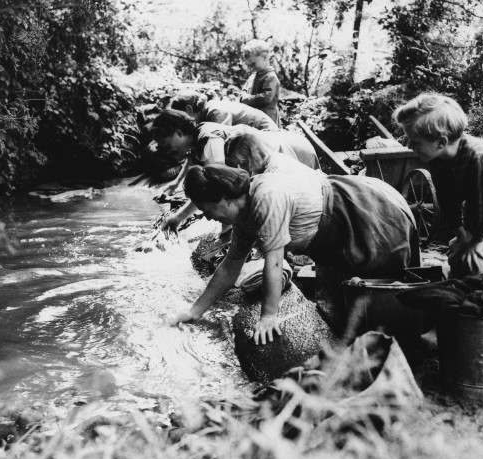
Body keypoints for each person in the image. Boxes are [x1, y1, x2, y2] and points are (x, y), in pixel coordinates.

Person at [170, 163, 420, 345]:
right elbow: (230, 264)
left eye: (208, 209)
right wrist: (194, 312)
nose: (209, 217)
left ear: (225, 198)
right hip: (332, 235)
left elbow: (275, 261)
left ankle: (406, 351)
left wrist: (269, 316)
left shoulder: (266, 198)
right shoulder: (242, 216)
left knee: (384, 289)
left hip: (364, 212)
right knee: (344, 305)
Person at [393, 93, 483, 274]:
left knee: (471, 262)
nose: (409, 147)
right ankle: (469, 284)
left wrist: (475, 243)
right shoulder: (438, 159)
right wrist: (461, 234)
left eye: (415, 142)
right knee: (456, 256)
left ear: (441, 142)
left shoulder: (480, 158)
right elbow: (447, 199)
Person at [151, 110, 319, 231]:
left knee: (300, 207)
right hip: (285, 147)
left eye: (167, 145)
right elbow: (198, 175)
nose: (167, 151)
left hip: (291, 152)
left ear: (179, 133)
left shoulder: (209, 140)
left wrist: (226, 231)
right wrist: (177, 207)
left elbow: (216, 188)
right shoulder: (196, 141)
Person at [170, 91, 278, 131]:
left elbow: (222, 139)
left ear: (189, 109)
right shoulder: (209, 111)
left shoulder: (215, 111)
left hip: (267, 133)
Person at [241, 39, 281, 125]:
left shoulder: (270, 77)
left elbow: (265, 98)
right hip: (257, 116)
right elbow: (247, 87)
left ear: (265, 58)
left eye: (253, 64)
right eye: (249, 65)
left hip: (268, 118)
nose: (251, 68)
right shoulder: (255, 75)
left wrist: (247, 99)